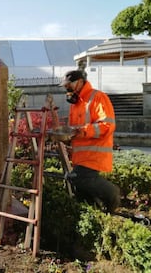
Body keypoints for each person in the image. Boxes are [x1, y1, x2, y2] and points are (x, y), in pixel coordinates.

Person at [61, 70, 120, 213]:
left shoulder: (97, 97)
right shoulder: (75, 105)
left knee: (78, 178)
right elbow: (74, 130)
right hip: (80, 155)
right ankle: (95, 213)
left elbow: (107, 125)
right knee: (80, 190)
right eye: (65, 86)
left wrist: (82, 131)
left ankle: (113, 195)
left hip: (95, 153)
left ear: (80, 82)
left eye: (69, 85)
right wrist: (67, 137)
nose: (66, 88)